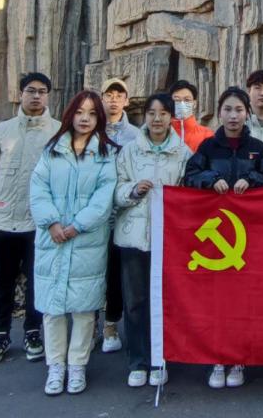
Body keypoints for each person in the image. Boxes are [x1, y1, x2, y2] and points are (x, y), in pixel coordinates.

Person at [29, 90, 118, 396]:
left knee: (84, 308)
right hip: (52, 238)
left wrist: (77, 225)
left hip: (86, 240)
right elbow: (38, 189)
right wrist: (52, 222)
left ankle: (77, 365)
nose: (85, 119)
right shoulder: (52, 149)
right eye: (80, 112)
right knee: (52, 308)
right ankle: (55, 365)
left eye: (92, 113)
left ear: (99, 118)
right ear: (70, 114)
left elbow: (103, 198)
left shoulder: (106, 153)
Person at [184, 87, 263, 389]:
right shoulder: (208, 147)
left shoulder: (258, 148)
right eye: (228, 109)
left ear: (247, 113)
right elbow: (190, 176)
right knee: (217, 300)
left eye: (239, 110)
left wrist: (252, 179)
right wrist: (211, 180)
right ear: (219, 112)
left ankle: (239, 358)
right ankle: (217, 358)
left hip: (249, 236)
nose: (233, 116)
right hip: (216, 236)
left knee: (244, 300)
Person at [0, 72, 60, 366]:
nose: (36, 96)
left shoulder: (58, 131)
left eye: (42, 91)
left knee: (37, 280)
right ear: (20, 94)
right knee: (3, 280)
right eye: (31, 91)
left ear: (48, 96)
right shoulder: (3, 130)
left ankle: (33, 333)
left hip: (38, 222)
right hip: (2, 217)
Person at [114, 93, 191, 388]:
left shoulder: (183, 153)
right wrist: (133, 191)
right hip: (133, 237)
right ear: (144, 115)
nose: (157, 119)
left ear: (171, 117)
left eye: (163, 113)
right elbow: (115, 189)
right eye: (151, 113)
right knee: (135, 302)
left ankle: (161, 359)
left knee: (164, 301)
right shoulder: (129, 152)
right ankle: (138, 361)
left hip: (168, 240)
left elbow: (189, 194)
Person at [98, 77, 141, 354]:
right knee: (91, 272)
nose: (114, 100)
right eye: (109, 94)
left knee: (116, 272)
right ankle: (87, 324)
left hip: (123, 212)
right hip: (94, 213)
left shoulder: (136, 135)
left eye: (119, 95)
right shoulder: (91, 129)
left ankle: (111, 324)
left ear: (126, 101)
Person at [170, 79, 214, 152]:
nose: (182, 104)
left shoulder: (207, 134)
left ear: (194, 103)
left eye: (187, 100)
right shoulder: (162, 133)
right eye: (177, 100)